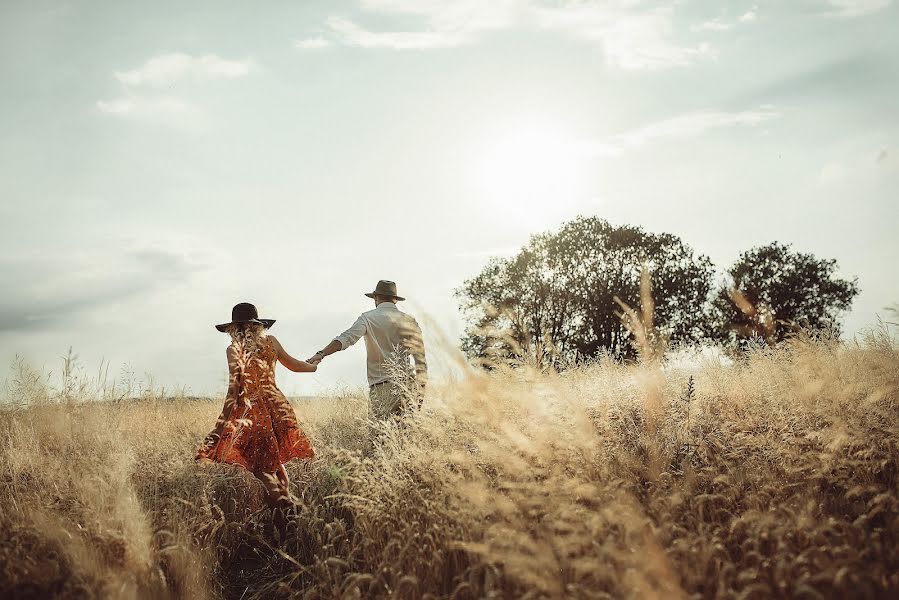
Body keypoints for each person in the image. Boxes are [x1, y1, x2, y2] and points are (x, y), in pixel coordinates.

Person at [196, 302, 317, 531]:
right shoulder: (271, 342)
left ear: (234, 327)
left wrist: (219, 427)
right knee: (277, 467)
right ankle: (283, 527)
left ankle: (289, 514)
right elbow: (296, 366)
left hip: (254, 412)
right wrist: (313, 366)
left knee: (262, 470)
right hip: (279, 407)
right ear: (257, 325)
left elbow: (233, 391)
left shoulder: (234, 349)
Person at [308, 280, 427, 421]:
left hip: (382, 389)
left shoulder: (367, 318)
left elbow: (346, 339)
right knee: (405, 439)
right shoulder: (409, 321)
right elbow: (421, 361)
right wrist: (420, 393)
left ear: (376, 298)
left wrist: (321, 354)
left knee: (379, 439)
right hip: (408, 386)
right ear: (395, 299)